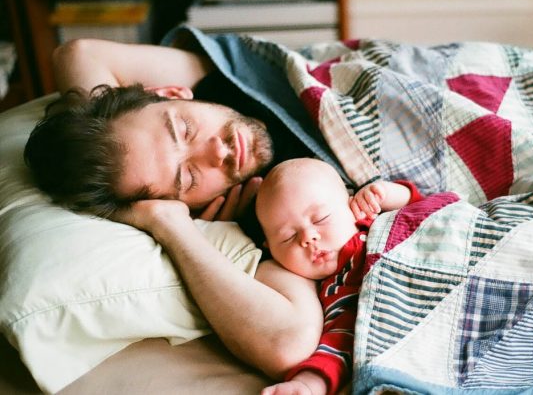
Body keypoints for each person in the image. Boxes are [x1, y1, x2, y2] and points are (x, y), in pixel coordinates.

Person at [23, 36, 336, 380]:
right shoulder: (261, 227)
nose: (218, 152)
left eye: (185, 130)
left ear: (173, 93)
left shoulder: (220, 84)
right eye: (187, 177)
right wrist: (170, 226)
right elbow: (286, 344)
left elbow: (77, 53)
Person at [255, 158, 423, 395]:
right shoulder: (330, 296)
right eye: (288, 237)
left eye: (321, 219)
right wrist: (306, 385)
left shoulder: (378, 225)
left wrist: (386, 194)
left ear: (350, 204)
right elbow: (339, 345)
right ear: (270, 249)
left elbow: (425, 209)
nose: (308, 237)